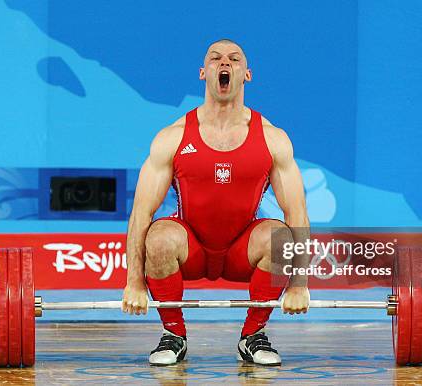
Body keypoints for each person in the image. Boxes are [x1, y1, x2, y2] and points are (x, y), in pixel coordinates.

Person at [122, 39, 310, 366]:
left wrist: (299, 284)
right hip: (190, 248)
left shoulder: (273, 138)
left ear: (246, 74)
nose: (225, 63)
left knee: (280, 237)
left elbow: (297, 214)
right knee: (160, 236)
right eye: (216, 58)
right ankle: (173, 335)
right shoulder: (173, 136)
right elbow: (141, 212)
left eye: (234, 59)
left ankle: (253, 336)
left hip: (242, 250)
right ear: (203, 73)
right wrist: (133, 281)